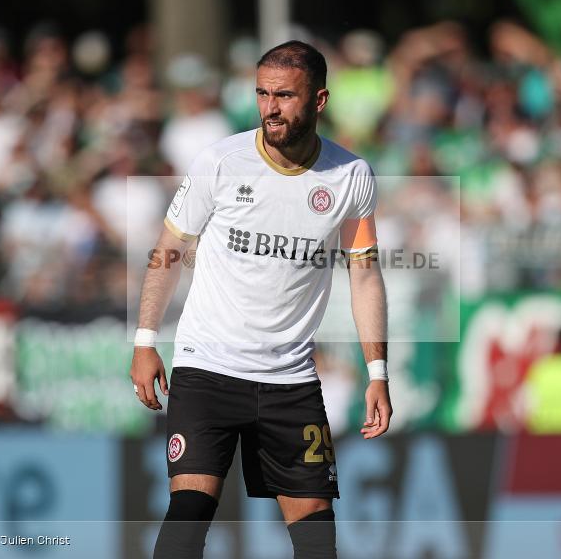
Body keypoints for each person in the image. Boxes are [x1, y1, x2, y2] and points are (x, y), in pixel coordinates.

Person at [130, 40, 392, 559]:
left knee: (317, 536)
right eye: (262, 94)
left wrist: (377, 372)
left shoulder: (351, 177)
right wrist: (144, 340)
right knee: (190, 512)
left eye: (285, 96)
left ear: (319, 100)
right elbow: (168, 251)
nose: (270, 108)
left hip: (289, 379)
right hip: (208, 368)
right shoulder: (220, 162)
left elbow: (364, 277)